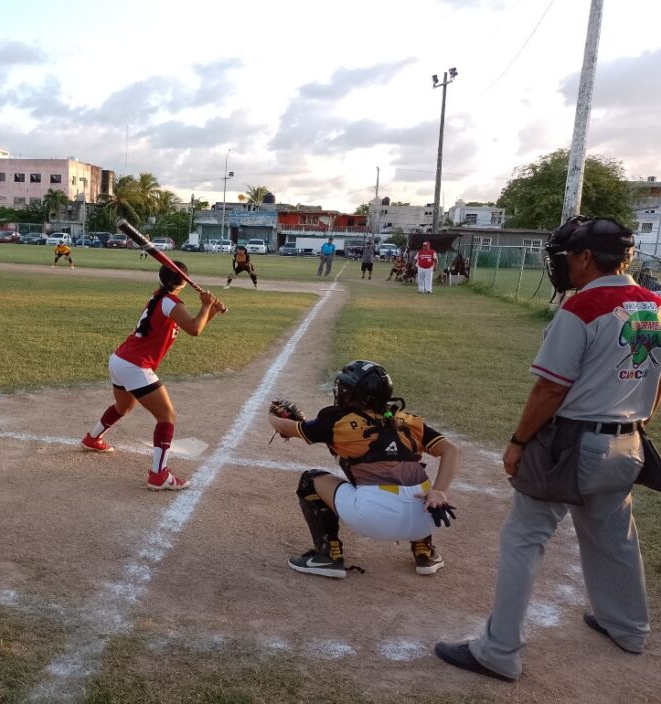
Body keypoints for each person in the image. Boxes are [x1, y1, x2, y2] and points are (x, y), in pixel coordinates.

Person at [435, 217, 658, 682]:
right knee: (616, 536)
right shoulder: (654, 305)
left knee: (524, 537)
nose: (561, 265)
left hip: (573, 444)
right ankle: (629, 627)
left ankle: (498, 651)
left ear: (583, 257)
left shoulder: (583, 308)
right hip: (629, 440)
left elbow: (550, 391)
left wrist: (518, 443)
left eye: (565, 257)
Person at [269, 360, 460, 578]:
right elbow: (452, 450)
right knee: (411, 477)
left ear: (351, 393)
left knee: (310, 480)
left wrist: (272, 416)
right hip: (427, 517)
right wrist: (439, 490)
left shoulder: (337, 420)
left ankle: (328, 556)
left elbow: (286, 427)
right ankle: (424, 551)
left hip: (375, 516)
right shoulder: (407, 420)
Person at [81, 263, 225, 490]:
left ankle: (92, 439)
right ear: (184, 282)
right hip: (135, 366)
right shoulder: (170, 302)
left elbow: (192, 324)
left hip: (120, 360)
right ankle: (159, 475)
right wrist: (206, 305)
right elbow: (194, 330)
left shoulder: (161, 297)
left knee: (123, 407)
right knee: (167, 416)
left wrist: (211, 311)